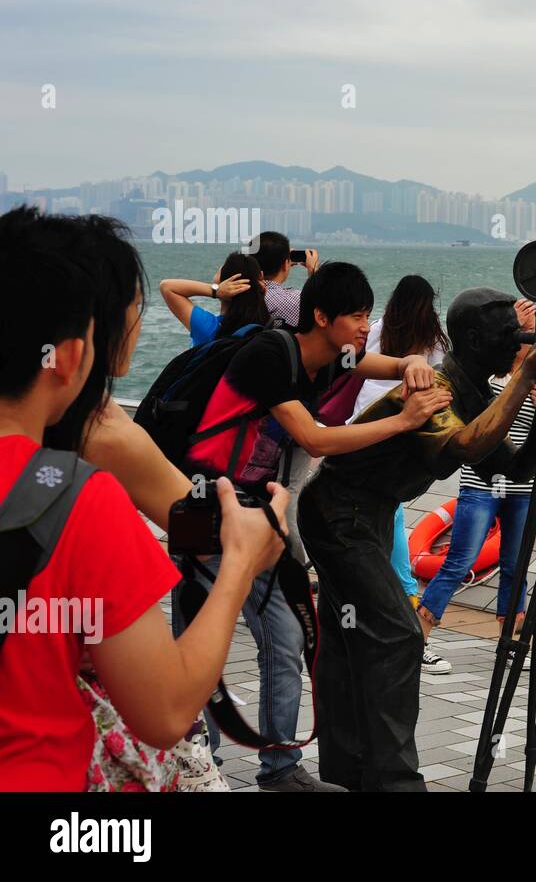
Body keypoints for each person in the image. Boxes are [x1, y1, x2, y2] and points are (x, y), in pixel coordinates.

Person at [0, 210, 288, 791]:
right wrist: (242, 557)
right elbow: (164, 712)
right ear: (79, 349)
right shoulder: (100, 450)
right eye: (134, 307)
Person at [176, 261, 447, 792]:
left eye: (370, 314)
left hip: (253, 511)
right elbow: (316, 439)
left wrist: (412, 362)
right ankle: (192, 756)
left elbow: (384, 363)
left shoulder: (334, 358)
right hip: (200, 505)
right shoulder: (270, 356)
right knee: (198, 637)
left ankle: (278, 770)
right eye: (356, 316)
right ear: (321, 316)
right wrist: (404, 421)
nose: (366, 326)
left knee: (285, 634)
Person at [297, 286, 536, 791]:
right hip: (340, 509)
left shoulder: (475, 391)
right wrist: (526, 375)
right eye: (508, 332)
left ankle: (347, 768)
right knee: (399, 635)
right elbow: (465, 445)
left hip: (370, 509)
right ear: (471, 337)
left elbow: (505, 461)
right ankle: (395, 780)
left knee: (346, 639)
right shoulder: (435, 387)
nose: (518, 339)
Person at [416, 298, 536, 672]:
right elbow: (481, 425)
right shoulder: (490, 379)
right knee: (459, 562)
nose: (528, 344)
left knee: (516, 566)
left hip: (521, 489)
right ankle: (418, 638)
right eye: (522, 337)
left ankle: (511, 642)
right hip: (482, 484)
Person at [348, 275, 452, 609]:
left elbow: (354, 363)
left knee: (381, 507)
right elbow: (445, 385)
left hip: (363, 420)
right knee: (390, 505)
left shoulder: (377, 328)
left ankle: (384, 587)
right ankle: (405, 591)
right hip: (400, 429)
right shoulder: (435, 343)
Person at [158, 252, 267, 346]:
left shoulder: (209, 328)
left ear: (223, 282)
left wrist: (215, 291)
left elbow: (167, 287)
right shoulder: (265, 325)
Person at [248, 231, 317, 327]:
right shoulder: (296, 299)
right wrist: (313, 271)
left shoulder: (238, 294)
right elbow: (323, 305)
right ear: (285, 264)